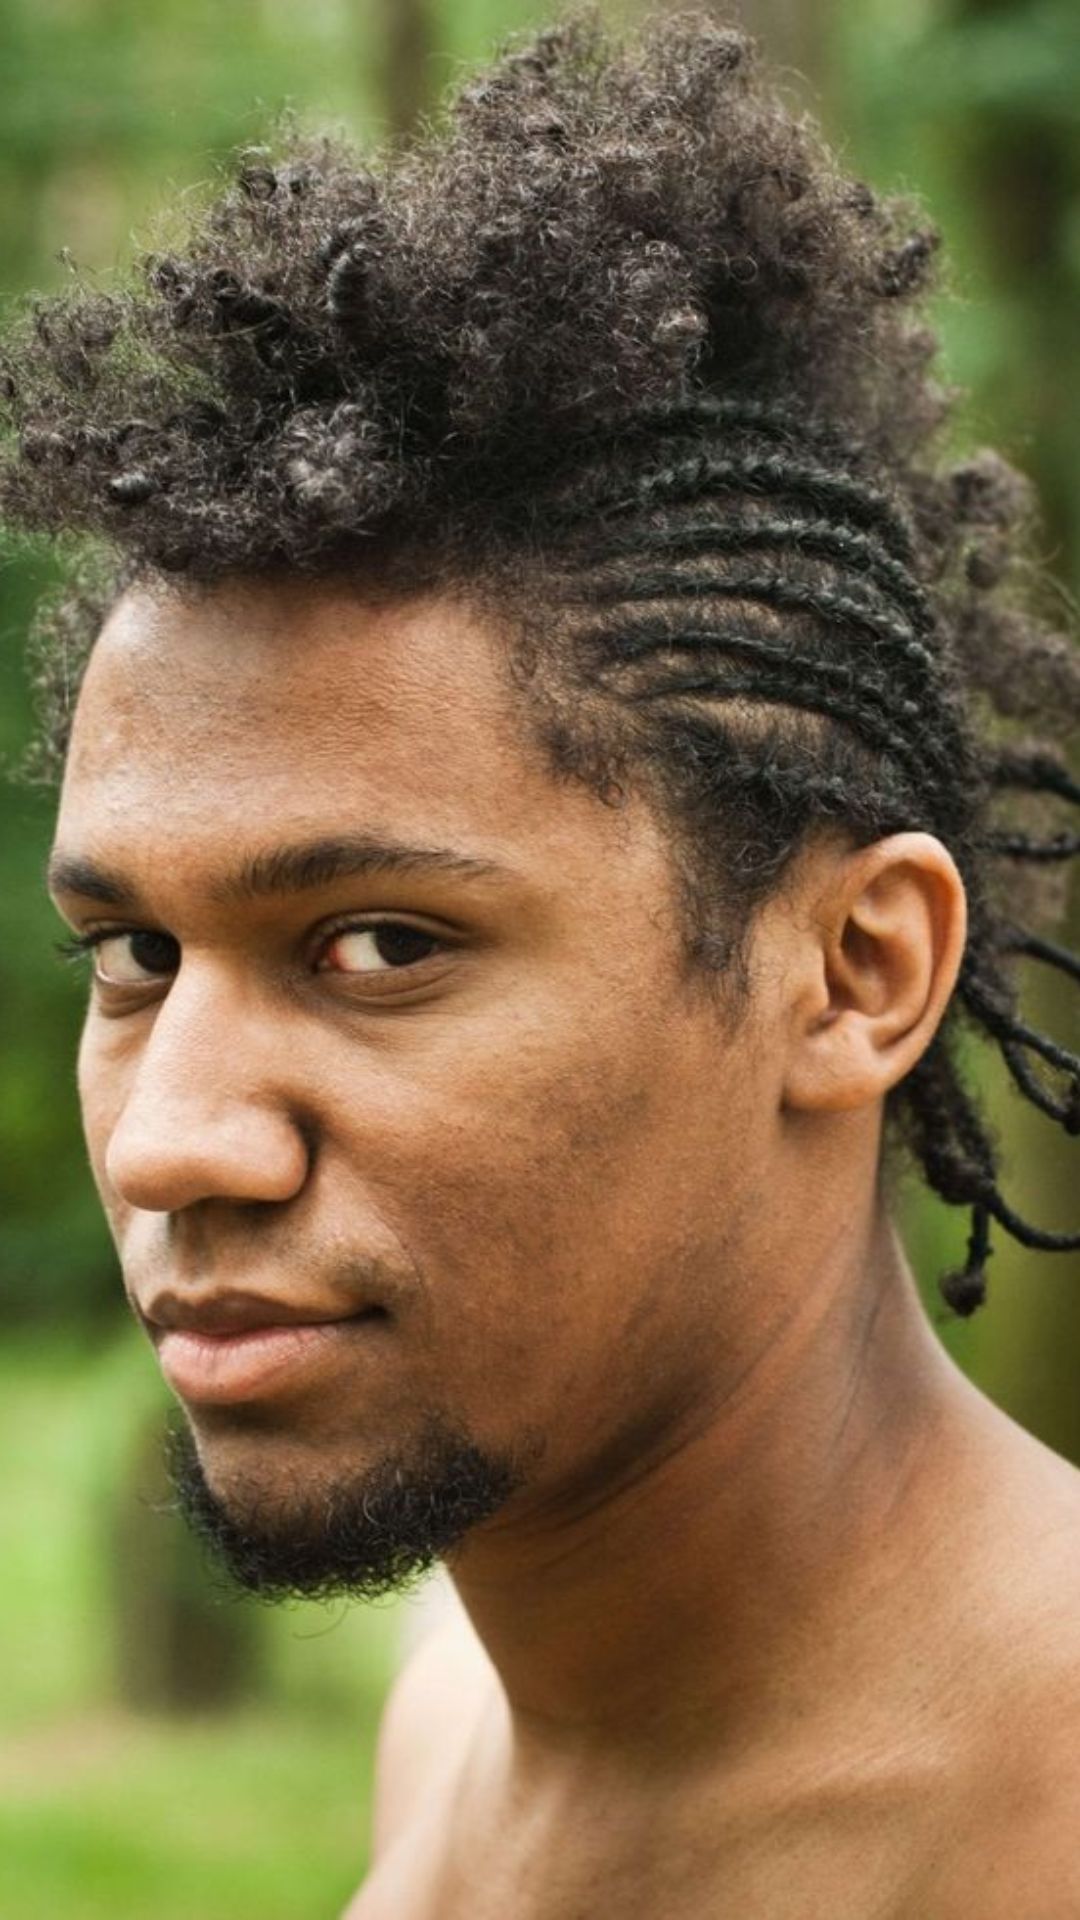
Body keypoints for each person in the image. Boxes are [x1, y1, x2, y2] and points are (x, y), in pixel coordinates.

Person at [4, 12, 1079, 1914]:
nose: (173, 1146)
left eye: (379, 944)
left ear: (855, 971)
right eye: (137, 953)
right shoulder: (459, 1713)